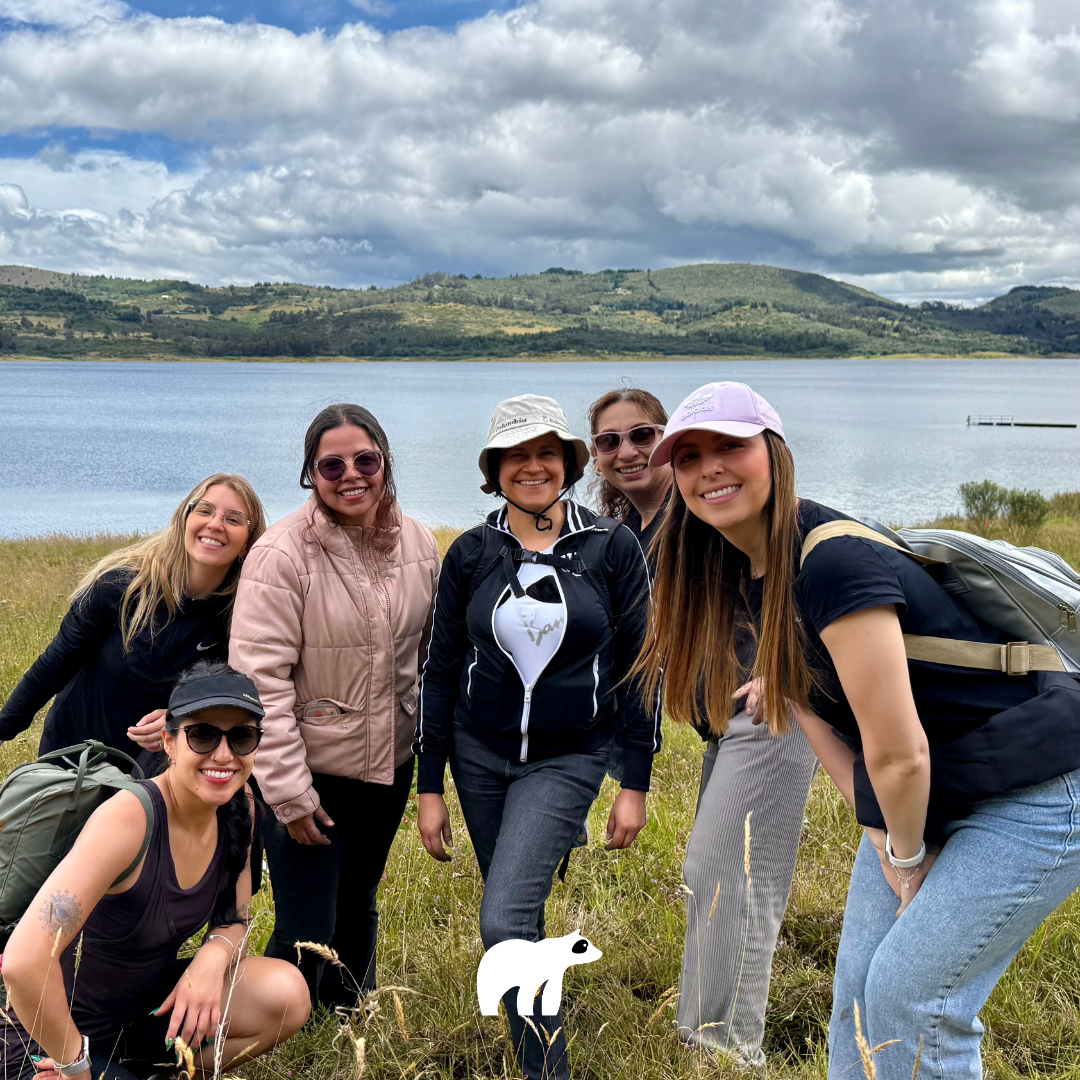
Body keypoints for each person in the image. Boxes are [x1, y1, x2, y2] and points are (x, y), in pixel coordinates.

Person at [635, 380, 1080, 1080]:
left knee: (913, 1001)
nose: (708, 468)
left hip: (1037, 786)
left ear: (775, 453)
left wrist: (906, 859)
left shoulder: (831, 562)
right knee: (858, 1004)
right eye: (688, 457)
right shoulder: (746, 567)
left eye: (731, 446)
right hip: (940, 788)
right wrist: (882, 837)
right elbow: (807, 704)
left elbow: (899, 754)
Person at [415, 394, 661, 1080]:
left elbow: (641, 668)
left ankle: (545, 1071)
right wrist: (429, 786)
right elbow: (439, 668)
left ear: (568, 464)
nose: (532, 467)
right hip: (477, 754)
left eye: (546, 453)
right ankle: (540, 1036)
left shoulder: (611, 548)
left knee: (502, 925)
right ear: (494, 470)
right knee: (518, 914)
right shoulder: (472, 552)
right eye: (515, 456)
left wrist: (635, 782)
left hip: (569, 757)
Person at [588, 385, 818, 1067]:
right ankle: (703, 1036)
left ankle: (727, 1051)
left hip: (766, 712)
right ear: (595, 457)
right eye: (609, 441)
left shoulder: (707, 511)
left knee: (730, 876)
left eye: (643, 436)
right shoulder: (631, 536)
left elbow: (809, 569)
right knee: (715, 877)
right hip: (722, 723)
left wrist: (791, 658)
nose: (628, 451)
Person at [0, 661, 311, 1080]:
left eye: (241, 736)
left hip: (139, 1015)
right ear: (169, 741)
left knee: (287, 993)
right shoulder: (129, 820)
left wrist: (212, 957)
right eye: (202, 734)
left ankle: (144, 1068)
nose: (224, 755)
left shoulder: (241, 807)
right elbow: (23, 962)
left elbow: (235, 919)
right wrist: (74, 1065)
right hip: (45, 1043)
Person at [229, 403, 439, 1009]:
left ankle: (351, 1018)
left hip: (388, 768)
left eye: (365, 460)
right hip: (310, 771)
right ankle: (275, 1028)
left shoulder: (420, 543)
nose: (351, 475)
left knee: (358, 902)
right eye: (332, 465)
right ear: (310, 474)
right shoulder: (280, 554)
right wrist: (289, 792)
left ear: (385, 462)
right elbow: (260, 682)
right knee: (306, 923)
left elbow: (431, 658)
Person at [0, 475, 266, 766]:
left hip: (156, 776)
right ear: (184, 519)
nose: (215, 524)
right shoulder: (119, 586)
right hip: (74, 759)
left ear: (247, 545)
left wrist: (180, 718)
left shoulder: (240, 616)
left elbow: (232, 699)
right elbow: (53, 666)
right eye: (204, 510)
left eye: (233, 519)